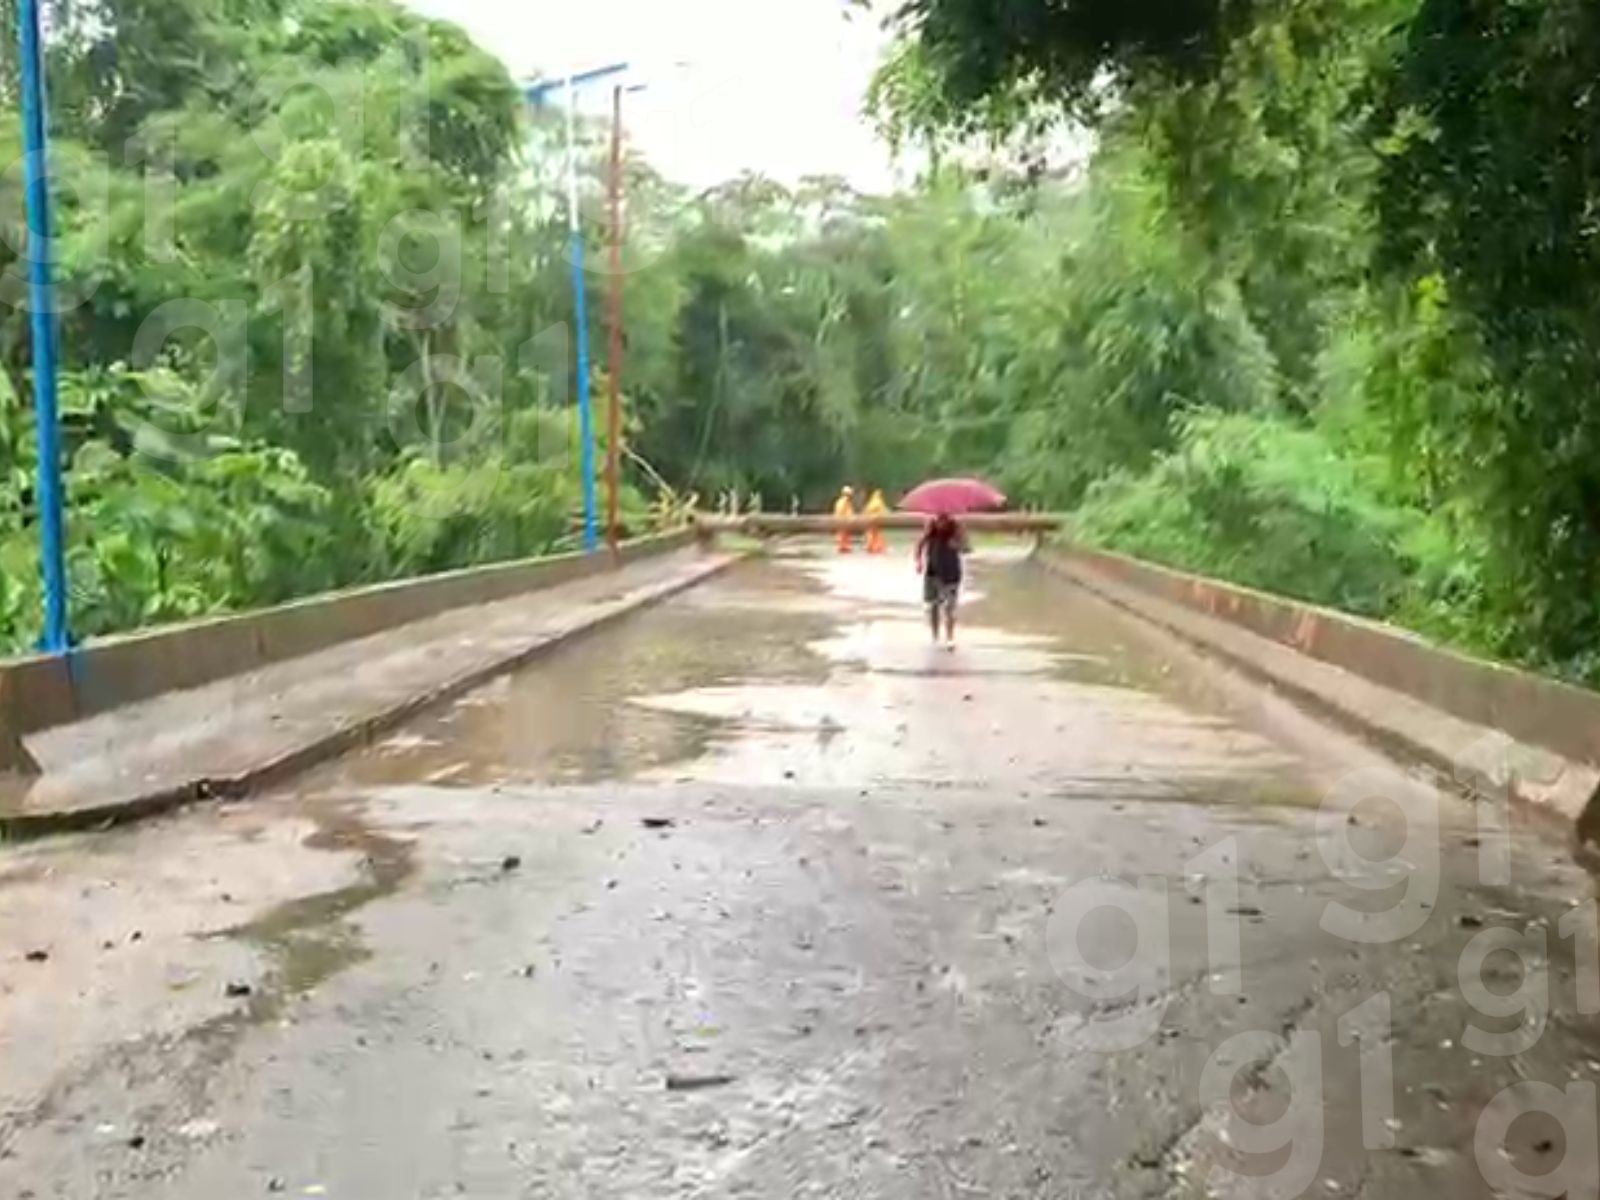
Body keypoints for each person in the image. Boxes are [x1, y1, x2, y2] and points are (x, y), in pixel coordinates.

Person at [916, 513, 969, 646]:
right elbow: (920, 544)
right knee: (933, 605)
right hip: (933, 573)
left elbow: (967, 548)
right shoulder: (931, 527)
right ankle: (935, 635)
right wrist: (919, 562)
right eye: (939, 519)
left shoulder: (956, 528)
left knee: (950, 606)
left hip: (951, 574)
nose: (941, 523)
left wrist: (957, 544)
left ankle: (950, 637)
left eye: (944, 519)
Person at [864, 488, 890, 555]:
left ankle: (870, 547)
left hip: (869, 521)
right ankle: (877, 547)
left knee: (870, 534)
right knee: (877, 535)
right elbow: (883, 510)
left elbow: (866, 511)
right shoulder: (879, 502)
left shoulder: (871, 502)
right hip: (876, 521)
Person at [833, 486, 857, 554]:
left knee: (844, 535)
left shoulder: (840, 501)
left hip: (842, 521)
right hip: (843, 521)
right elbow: (843, 511)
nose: (851, 496)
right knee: (843, 535)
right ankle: (844, 547)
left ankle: (843, 547)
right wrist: (850, 518)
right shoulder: (844, 501)